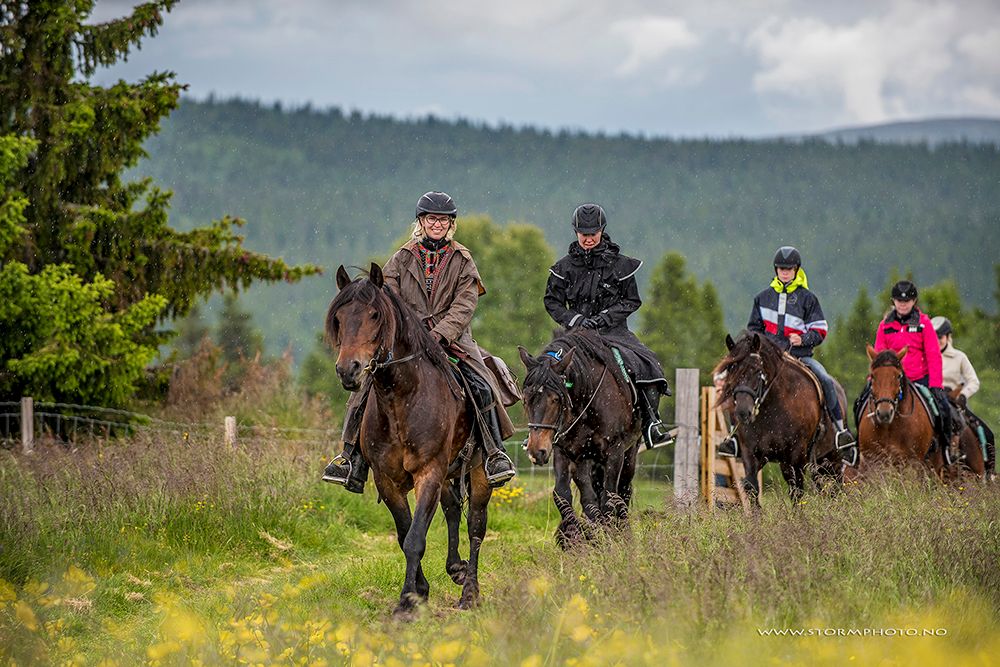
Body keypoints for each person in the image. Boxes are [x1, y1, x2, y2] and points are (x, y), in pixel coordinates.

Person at [323, 191, 517, 492]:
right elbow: (385, 296)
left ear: (450, 223)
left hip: (453, 340)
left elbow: (465, 305)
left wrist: (440, 333)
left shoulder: (463, 260)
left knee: (482, 382)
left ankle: (494, 454)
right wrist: (411, 327)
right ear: (421, 221)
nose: (436, 224)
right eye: (431, 218)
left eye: (442, 219)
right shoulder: (402, 257)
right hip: (409, 340)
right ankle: (351, 458)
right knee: (366, 388)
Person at [542, 203, 672, 449]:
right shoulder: (563, 268)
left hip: (614, 333)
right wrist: (575, 320)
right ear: (576, 232)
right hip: (576, 335)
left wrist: (603, 318)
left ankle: (651, 423)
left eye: (593, 233)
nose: (588, 238)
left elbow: (631, 300)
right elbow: (552, 302)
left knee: (648, 365)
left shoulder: (621, 266)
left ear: (601, 230)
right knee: (544, 368)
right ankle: (541, 430)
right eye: (584, 234)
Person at [718, 246, 857, 463]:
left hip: (800, 357)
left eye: (789, 269)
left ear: (796, 270)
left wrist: (804, 339)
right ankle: (734, 436)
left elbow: (820, 329)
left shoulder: (808, 299)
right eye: (781, 269)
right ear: (776, 270)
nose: (785, 272)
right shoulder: (762, 298)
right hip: (768, 360)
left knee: (826, 380)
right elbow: (753, 329)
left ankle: (840, 432)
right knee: (739, 383)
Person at [863, 280, 955, 460]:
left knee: (943, 407)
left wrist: (935, 384)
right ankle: (856, 445)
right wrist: (873, 379)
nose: (903, 304)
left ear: (914, 302)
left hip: (919, 379)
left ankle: (945, 448)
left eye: (907, 301)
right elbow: (879, 355)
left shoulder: (924, 323)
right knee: (860, 402)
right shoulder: (885, 325)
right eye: (899, 301)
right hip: (890, 381)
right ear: (893, 302)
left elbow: (933, 355)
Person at [933, 315, 994, 461]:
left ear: (948, 337)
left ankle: (988, 470)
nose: (937, 341)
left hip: (955, 401)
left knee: (986, 433)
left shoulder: (959, 357)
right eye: (933, 337)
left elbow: (973, 381)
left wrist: (963, 395)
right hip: (934, 399)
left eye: (940, 337)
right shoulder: (926, 357)